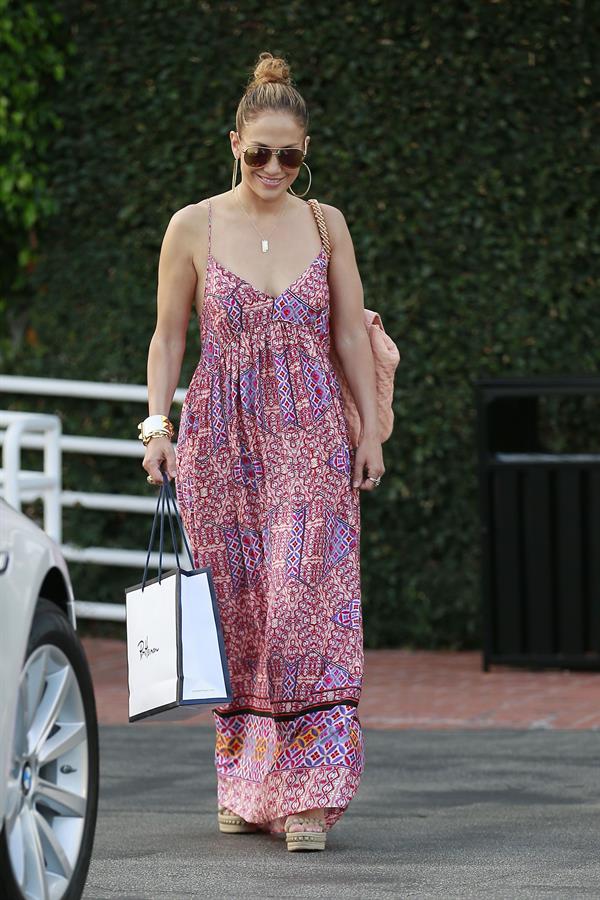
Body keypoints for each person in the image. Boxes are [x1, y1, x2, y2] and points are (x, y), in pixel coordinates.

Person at [140, 50, 384, 851]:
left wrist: (372, 428)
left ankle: (307, 795)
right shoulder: (192, 225)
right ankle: (245, 787)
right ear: (233, 142)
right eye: (259, 152)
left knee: (304, 610)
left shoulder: (327, 224)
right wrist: (157, 427)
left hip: (311, 434)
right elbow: (169, 335)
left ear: (305, 153)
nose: (274, 167)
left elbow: (349, 331)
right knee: (241, 613)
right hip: (219, 438)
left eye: (291, 155)